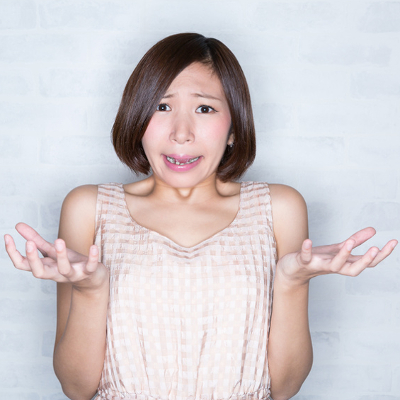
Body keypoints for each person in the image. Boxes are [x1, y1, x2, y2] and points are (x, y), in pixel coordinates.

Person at [4, 33, 397, 400]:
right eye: (162, 106)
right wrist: (90, 290)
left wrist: (292, 280)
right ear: (137, 119)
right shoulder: (88, 208)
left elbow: (285, 387)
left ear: (234, 128)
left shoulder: (280, 208)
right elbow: (76, 388)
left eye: (204, 108)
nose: (181, 132)